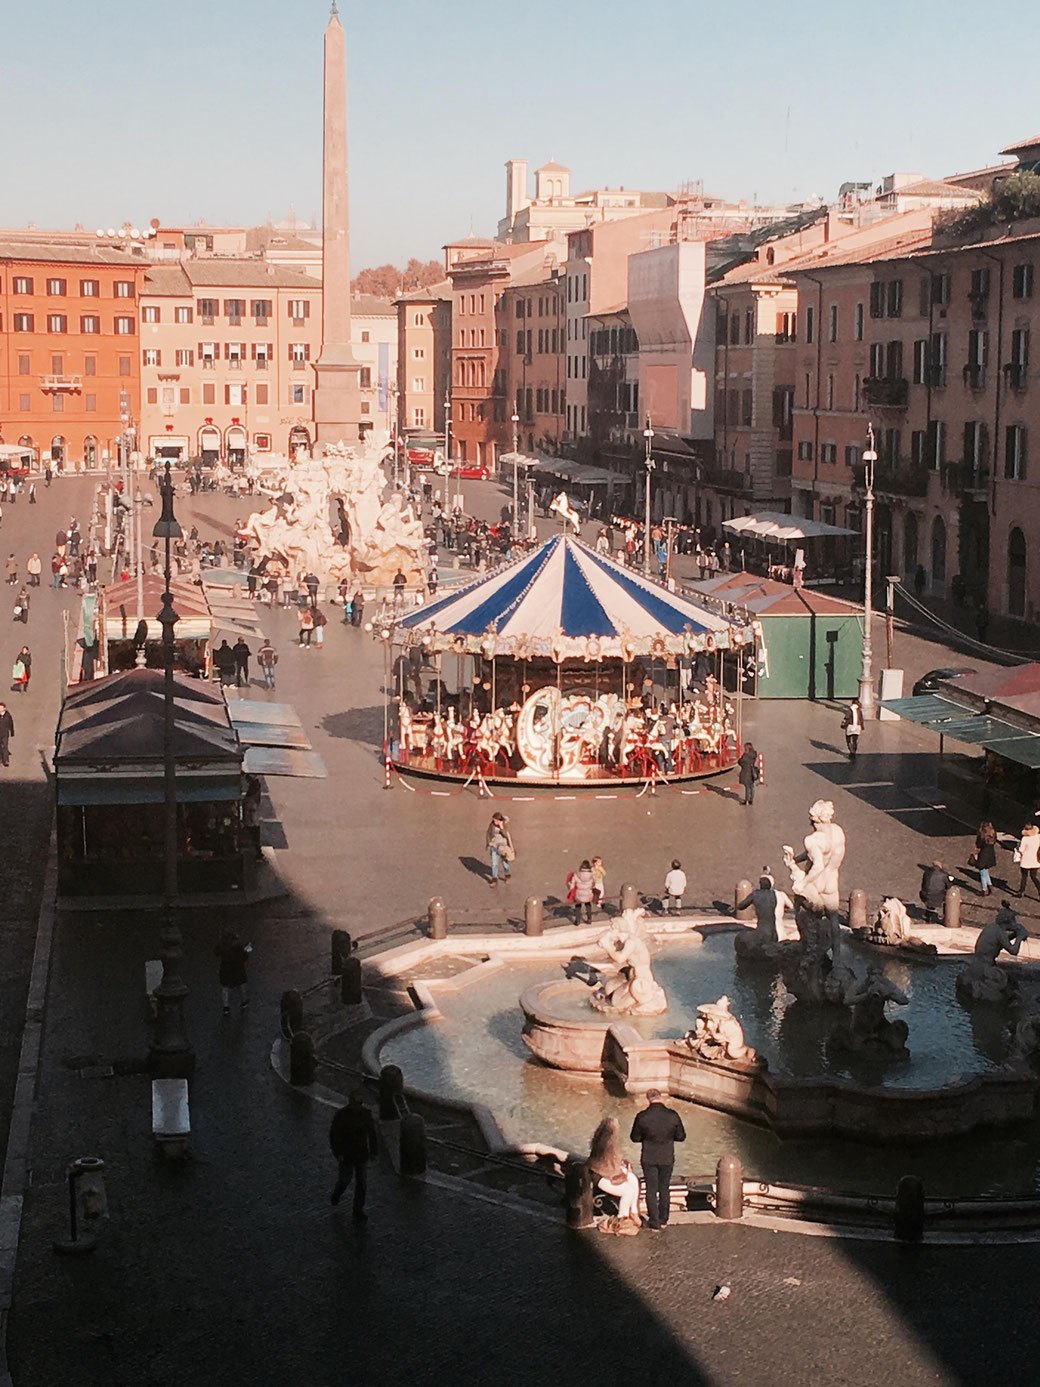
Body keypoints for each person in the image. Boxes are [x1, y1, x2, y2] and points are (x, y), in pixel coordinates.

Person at [629, 1089, 686, 1232]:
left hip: (649, 1157)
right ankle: (664, 1219)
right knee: (664, 1188)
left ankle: (654, 1222)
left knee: (651, 1189)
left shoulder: (642, 1117)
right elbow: (681, 1136)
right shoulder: (673, 1115)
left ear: (648, 1099)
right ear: (661, 1098)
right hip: (667, 1157)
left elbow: (634, 1138)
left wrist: (646, 1137)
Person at [329, 1090, 379, 1222]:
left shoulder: (366, 1114)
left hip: (361, 1154)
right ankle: (337, 1193)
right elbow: (334, 1136)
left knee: (362, 1184)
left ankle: (358, 1211)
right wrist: (338, 1153)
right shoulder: (341, 1115)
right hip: (346, 1154)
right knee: (344, 1180)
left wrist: (374, 1151)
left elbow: (372, 1134)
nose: (357, 1105)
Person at [586, 1116, 640, 1235]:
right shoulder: (609, 1146)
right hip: (600, 1176)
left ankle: (634, 1211)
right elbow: (610, 1169)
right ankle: (622, 1217)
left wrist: (624, 1172)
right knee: (628, 1191)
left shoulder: (600, 1142)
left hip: (602, 1173)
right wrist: (623, 1172)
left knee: (633, 1179)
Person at [214, 929, 251, 1015]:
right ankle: (243, 1001)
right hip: (238, 968)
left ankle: (226, 1006)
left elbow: (215, 952)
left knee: (225, 987)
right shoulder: (238, 946)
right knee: (240, 985)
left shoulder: (222, 945)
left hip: (225, 968)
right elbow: (244, 957)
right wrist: (246, 950)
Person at [486, 811, 513, 887]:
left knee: (505, 864)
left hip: (503, 847)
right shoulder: (491, 825)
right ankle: (494, 880)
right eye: (493, 820)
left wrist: (501, 827)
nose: (494, 821)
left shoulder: (504, 825)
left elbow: (506, 835)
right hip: (495, 846)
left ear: (499, 820)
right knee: (494, 864)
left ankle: (507, 876)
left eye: (495, 820)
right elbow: (488, 833)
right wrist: (489, 842)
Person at [972, 821, 998, 897]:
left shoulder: (982, 834)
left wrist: (976, 852)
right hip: (991, 853)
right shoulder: (993, 833)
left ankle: (984, 890)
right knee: (985, 871)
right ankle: (990, 886)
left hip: (983, 854)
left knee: (982, 872)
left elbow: (978, 844)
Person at [1017, 823, 1040, 900]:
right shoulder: (1037, 837)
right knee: (1034, 877)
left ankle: (1021, 891)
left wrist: (1018, 848)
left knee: (1024, 876)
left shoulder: (1025, 839)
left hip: (1026, 861)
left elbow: (1021, 850)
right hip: (1035, 861)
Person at [569, 860, 596, 925]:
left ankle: (577, 921)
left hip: (579, 893)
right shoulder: (592, 874)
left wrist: (570, 887)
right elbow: (594, 884)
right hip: (588, 893)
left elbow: (572, 885)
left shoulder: (576, 874)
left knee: (578, 906)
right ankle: (589, 919)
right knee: (588, 905)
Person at [737, 741, 759, 806]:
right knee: (752, 786)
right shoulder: (754, 754)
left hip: (746, 772)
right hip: (752, 772)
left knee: (747, 787)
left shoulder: (745, 756)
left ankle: (747, 801)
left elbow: (740, 762)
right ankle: (751, 800)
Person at [0, 702, 12, 766]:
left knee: (5, 746)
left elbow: (10, 723)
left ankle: (6, 760)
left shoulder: (7, 715)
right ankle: (0, 759)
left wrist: (12, 732)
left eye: (1, 708)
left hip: (5, 734)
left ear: (4, 708)